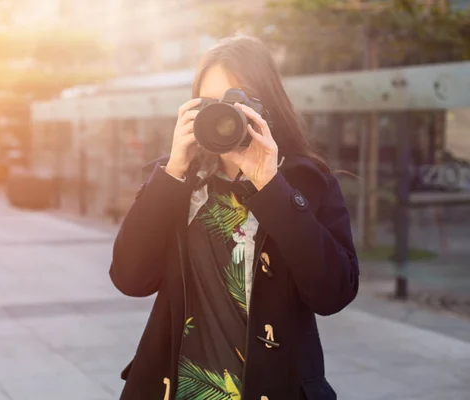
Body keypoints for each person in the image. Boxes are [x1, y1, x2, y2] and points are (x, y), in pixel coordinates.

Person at [110, 35, 359, 400]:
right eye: (209, 102)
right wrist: (174, 168)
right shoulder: (176, 181)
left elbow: (334, 293)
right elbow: (130, 278)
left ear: (267, 105)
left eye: (237, 100)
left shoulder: (307, 181)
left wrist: (272, 186)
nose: (224, 115)